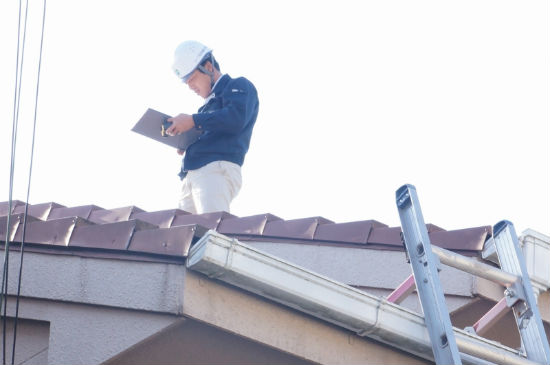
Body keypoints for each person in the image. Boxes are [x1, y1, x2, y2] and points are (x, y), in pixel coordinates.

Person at [166, 40, 259, 214]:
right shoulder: (206, 108)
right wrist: (188, 142)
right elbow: (216, 125)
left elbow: (235, 118)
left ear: (208, 67)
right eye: (186, 82)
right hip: (193, 175)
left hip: (215, 169)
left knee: (212, 230)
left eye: (192, 79)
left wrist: (193, 121)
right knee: (184, 237)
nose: (190, 86)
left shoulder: (238, 86)